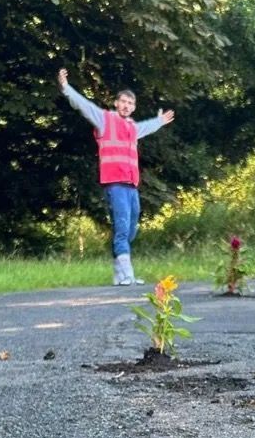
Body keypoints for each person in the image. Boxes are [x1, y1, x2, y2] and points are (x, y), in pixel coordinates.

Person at [57, 68, 175, 286]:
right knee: (121, 226)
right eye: (123, 102)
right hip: (115, 183)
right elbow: (84, 105)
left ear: (134, 107)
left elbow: (146, 127)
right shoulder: (105, 119)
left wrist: (158, 121)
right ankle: (127, 274)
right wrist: (66, 88)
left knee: (131, 228)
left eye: (130, 103)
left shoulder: (132, 127)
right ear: (116, 103)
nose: (126, 106)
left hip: (131, 185)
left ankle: (119, 272)